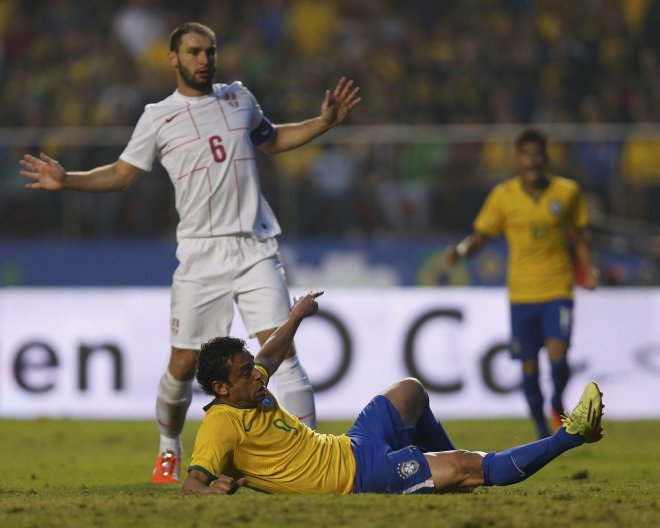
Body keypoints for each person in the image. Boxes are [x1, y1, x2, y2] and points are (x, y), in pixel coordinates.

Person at [18, 22, 362, 484]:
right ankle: (167, 448)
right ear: (173, 59)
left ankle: (308, 458)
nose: (204, 60)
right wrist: (69, 180)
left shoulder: (239, 98)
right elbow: (123, 173)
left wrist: (323, 122)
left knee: (282, 351)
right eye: (195, 52)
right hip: (200, 255)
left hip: (255, 246)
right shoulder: (158, 116)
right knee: (182, 366)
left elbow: (274, 139)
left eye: (210, 52)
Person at [181, 291, 604, 495]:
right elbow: (191, 485)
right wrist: (210, 490)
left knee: (410, 392)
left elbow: (269, 355)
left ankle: (448, 485)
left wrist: (296, 316)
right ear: (221, 388)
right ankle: (571, 435)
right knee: (468, 466)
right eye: (245, 373)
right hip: (357, 478)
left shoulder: (248, 386)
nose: (257, 376)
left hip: (350, 444)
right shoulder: (220, 426)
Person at [445, 128, 599, 439]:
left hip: (558, 289)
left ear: (546, 156)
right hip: (522, 294)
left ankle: (556, 401)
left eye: (537, 154)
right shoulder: (503, 196)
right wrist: (461, 251)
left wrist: (589, 269)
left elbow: (579, 235)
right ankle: (542, 430)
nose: (532, 160)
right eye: (526, 154)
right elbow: (482, 236)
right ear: (518, 158)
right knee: (529, 368)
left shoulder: (568, 192)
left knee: (558, 359)